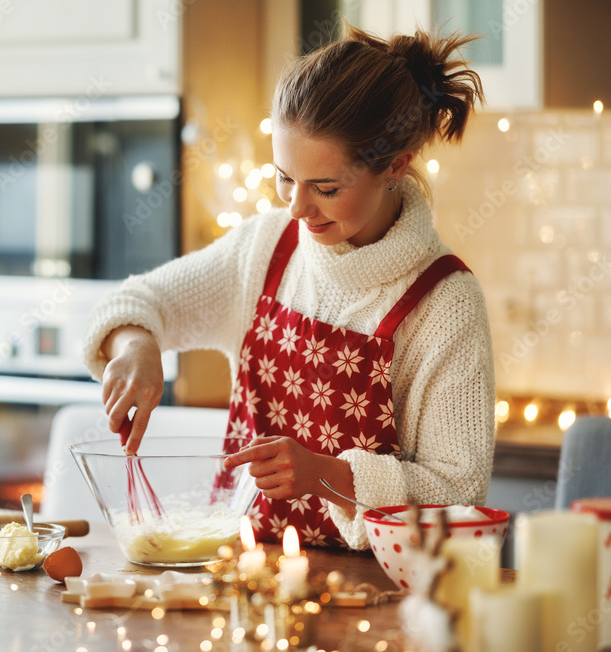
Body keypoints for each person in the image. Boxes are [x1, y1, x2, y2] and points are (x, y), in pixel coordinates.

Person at [81, 22, 495, 550]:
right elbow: (137, 302)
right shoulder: (267, 246)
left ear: (396, 165)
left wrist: (329, 475)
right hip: (249, 576)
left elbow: (462, 495)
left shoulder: (445, 303)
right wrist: (137, 344)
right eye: (284, 177)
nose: (297, 209)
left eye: (325, 187)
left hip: (380, 597)